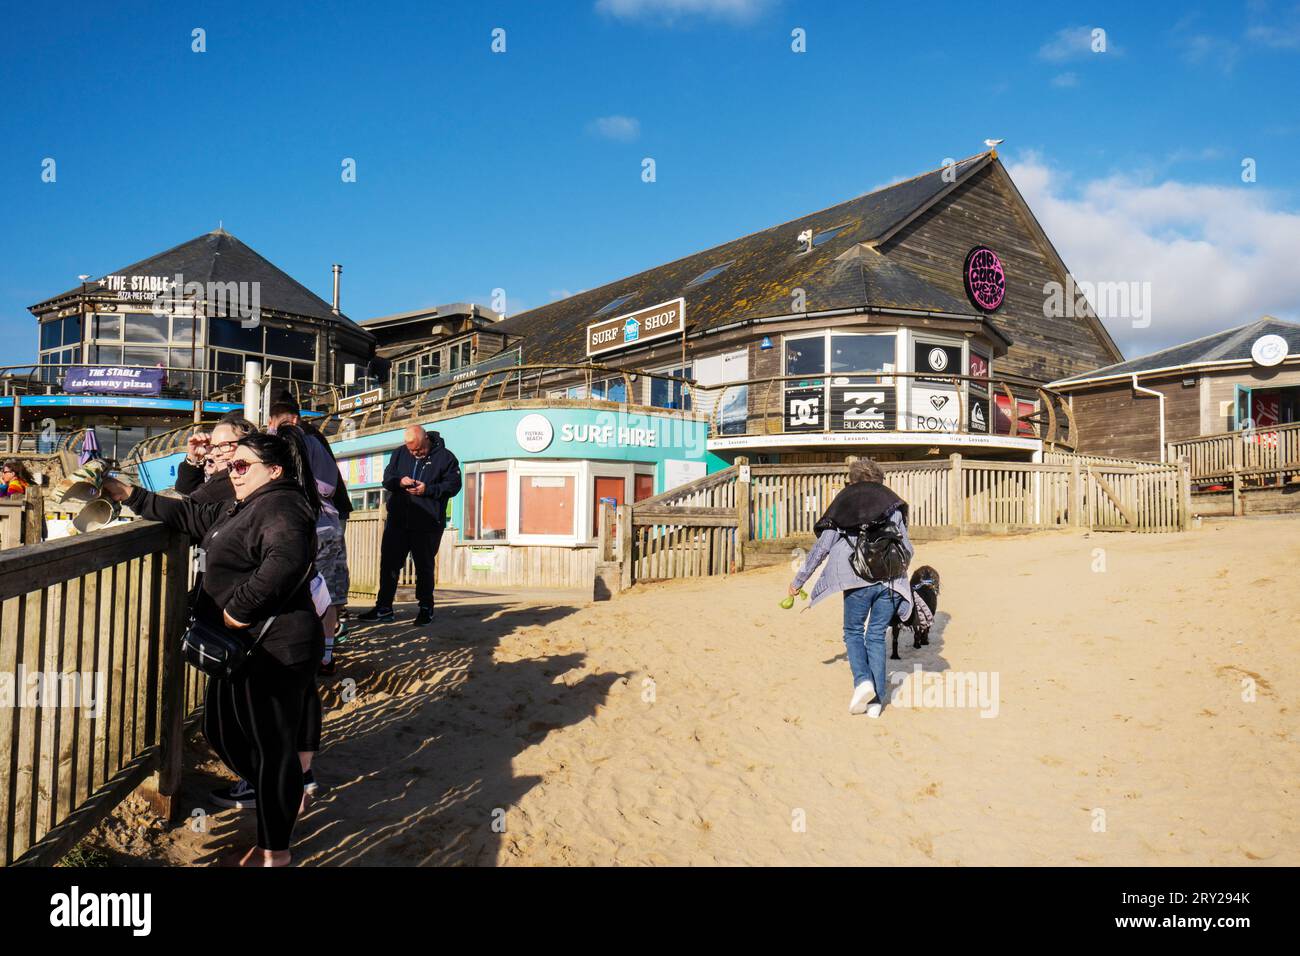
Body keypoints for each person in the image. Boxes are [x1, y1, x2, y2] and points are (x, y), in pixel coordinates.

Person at [101, 433, 323, 866]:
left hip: (276, 649)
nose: (232, 472)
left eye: (242, 466)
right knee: (222, 732)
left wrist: (239, 609)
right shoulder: (241, 504)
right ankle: (282, 788)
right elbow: (188, 514)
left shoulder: (282, 504)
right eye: (231, 465)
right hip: (243, 649)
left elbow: (287, 559)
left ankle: (275, 850)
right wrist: (128, 494)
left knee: (271, 749)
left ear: (273, 471)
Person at [789, 458, 914, 719]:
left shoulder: (844, 503)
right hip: (890, 580)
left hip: (856, 580)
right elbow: (907, 547)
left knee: (853, 631)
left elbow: (822, 548)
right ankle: (877, 703)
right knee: (877, 634)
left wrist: (799, 581)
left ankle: (862, 682)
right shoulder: (892, 505)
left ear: (852, 481)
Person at [267, 400, 350, 673]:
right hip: (325, 526)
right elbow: (328, 486)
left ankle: (298, 653)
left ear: (273, 422)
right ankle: (325, 655)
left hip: (288, 529)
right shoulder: (314, 442)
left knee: (292, 594)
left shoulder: (269, 448)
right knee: (327, 596)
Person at [359, 424, 461, 626]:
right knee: (389, 564)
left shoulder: (446, 457)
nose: (415, 453)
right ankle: (384, 608)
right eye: (411, 450)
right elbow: (387, 479)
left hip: (427, 522)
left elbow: (454, 485)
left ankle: (425, 607)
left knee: (424, 566)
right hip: (397, 520)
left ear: (426, 440)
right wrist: (400, 482)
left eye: (418, 449)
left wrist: (428, 489)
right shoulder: (399, 453)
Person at [176, 415, 256, 503]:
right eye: (214, 446)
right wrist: (194, 457)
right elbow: (187, 493)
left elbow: (190, 504)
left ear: (249, 444)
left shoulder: (233, 481)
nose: (216, 453)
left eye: (225, 445)